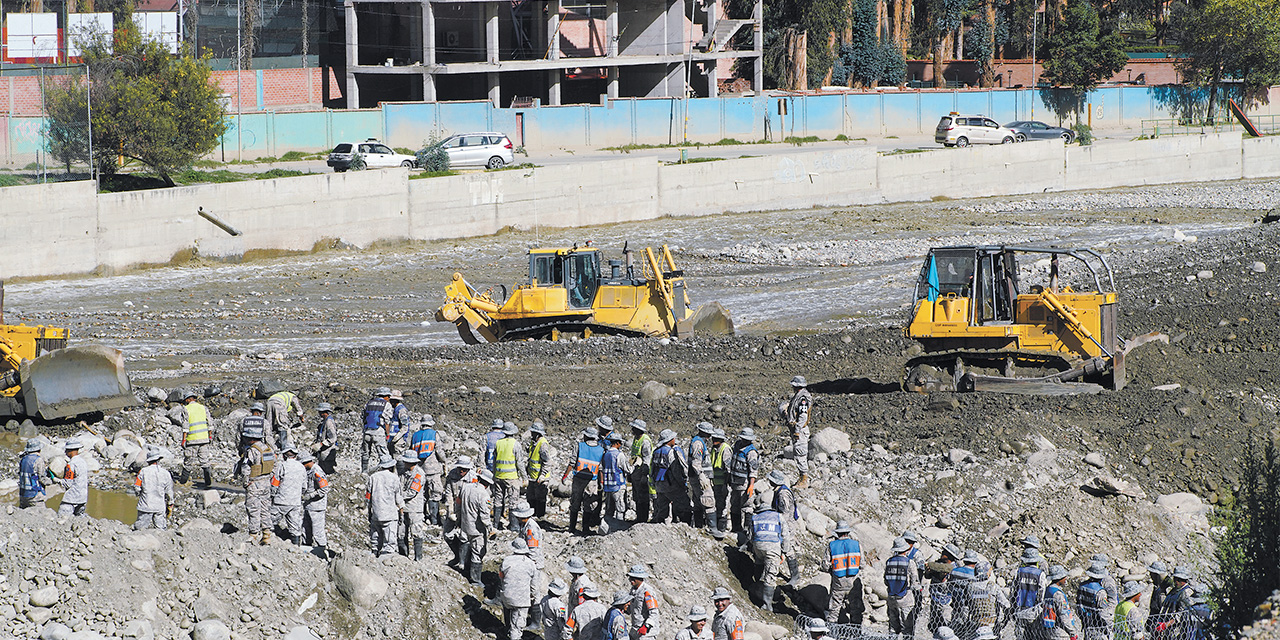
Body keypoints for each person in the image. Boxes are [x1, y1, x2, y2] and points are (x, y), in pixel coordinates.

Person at [562, 427, 604, 535]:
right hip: (592, 481)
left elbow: (572, 462)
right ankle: (585, 529)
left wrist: (565, 476)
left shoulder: (579, 446)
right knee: (588, 505)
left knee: (575, 503)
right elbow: (600, 469)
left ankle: (572, 528)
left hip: (578, 479)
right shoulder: (600, 450)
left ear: (586, 436)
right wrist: (602, 482)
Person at [241, 424, 276, 544]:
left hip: (254, 483)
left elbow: (245, 468)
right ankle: (266, 534)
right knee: (265, 509)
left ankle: (253, 534)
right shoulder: (268, 449)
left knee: (253, 509)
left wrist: (246, 482)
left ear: (251, 439)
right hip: (266, 483)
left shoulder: (252, 451)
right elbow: (274, 465)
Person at [460, 469, 496, 585]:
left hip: (465, 525)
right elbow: (485, 516)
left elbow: (458, 503)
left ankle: (466, 571)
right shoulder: (484, 495)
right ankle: (475, 580)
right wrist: (490, 528)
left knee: (467, 547)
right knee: (478, 552)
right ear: (488, 483)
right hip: (477, 529)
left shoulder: (466, 487)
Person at [500, 539, 540, 640]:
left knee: (508, 611)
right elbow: (534, 586)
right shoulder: (531, 564)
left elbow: (501, 576)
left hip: (506, 596)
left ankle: (507, 630)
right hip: (521, 600)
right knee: (517, 627)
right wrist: (533, 597)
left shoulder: (506, 560)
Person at [750, 502, 786, 612]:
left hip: (758, 546)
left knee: (759, 563)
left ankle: (757, 586)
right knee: (770, 575)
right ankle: (766, 604)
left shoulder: (755, 517)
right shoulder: (779, 517)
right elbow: (785, 535)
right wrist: (784, 552)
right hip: (772, 547)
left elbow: (750, 535)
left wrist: (754, 547)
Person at [767, 470, 801, 586]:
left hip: (787, 526)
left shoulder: (783, 494)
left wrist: (781, 527)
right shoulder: (779, 491)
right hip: (783, 524)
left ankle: (795, 576)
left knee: (788, 549)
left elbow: (785, 513)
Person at [366, 454, 404, 557]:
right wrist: (401, 512)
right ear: (391, 466)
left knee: (375, 536)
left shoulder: (373, 477)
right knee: (389, 540)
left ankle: (374, 552)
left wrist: (369, 511)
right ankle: (386, 556)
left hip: (376, 512)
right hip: (390, 514)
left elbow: (368, 497)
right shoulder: (394, 478)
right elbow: (398, 498)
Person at [826, 520, 864, 623]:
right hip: (853, 583)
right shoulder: (856, 545)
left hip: (838, 583)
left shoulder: (831, 545)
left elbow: (825, 566)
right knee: (856, 610)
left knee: (834, 610)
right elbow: (862, 564)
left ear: (837, 533)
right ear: (848, 532)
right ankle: (856, 634)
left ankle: (832, 634)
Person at [413, 415, 447, 527]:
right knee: (435, 493)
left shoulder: (415, 435)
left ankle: (422, 517)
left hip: (419, 469)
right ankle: (434, 520)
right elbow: (439, 450)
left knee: (421, 494)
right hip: (433, 469)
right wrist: (445, 460)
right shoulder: (434, 434)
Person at [651, 429, 690, 524]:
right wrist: (681, 483)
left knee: (662, 509)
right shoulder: (671, 452)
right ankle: (683, 526)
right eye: (673, 438)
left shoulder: (656, 451)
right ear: (669, 440)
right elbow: (675, 470)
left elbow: (652, 468)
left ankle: (659, 527)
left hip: (659, 485)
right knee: (683, 505)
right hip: (671, 485)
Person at [271, 446, 307, 546]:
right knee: (295, 527)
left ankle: (269, 544)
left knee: (270, 522)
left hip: (281, 500)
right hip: (295, 502)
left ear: (284, 455)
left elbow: (275, 483)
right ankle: (296, 548)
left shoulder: (282, 466)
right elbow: (304, 486)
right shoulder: (301, 467)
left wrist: (272, 495)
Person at [493, 422, 526, 531]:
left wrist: (494, 475)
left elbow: (494, 460)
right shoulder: (515, 444)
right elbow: (519, 462)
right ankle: (514, 526)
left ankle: (496, 524)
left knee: (498, 500)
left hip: (498, 476)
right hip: (511, 477)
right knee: (513, 501)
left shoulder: (498, 443)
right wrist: (524, 477)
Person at [177, 389, 213, 487]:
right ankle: (208, 483)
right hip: (204, 439)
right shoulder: (203, 408)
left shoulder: (186, 409)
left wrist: (184, 439)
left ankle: (183, 482)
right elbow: (210, 423)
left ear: (188, 399)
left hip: (192, 440)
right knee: (205, 461)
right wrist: (209, 435)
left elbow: (185, 426)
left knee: (188, 462)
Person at [781, 375, 812, 488]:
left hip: (801, 430)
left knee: (800, 454)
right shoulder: (799, 396)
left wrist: (797, 430)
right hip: (797, 429)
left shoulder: (802, 398)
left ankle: (804, 480)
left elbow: (803, 416)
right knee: (798, 453)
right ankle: (801, 478)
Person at [885, 537, 921, 636]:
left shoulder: (889, 561)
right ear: (905, 549)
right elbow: (915, 583)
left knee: (893, 626)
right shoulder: (910, 562)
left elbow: (886, 580)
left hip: (891, 598)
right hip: (906, 599)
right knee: (908, 627)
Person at [728, 429, 760, 535]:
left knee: (747, 506)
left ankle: (747, 529)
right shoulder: (737, 445)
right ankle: (736, 527)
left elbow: (753, 470)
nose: (743, 441)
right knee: (734, 505)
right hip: (734, 481)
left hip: (744, 483)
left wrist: (751, 485)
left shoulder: (751, 452)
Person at [133, 447, 174, 530]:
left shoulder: (143, 471)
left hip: (145, 505)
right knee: (161, 530)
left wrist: (140, 495)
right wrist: (170, 502)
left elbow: (137, 487)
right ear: (158, 460)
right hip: (159, 506)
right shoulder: (165, 473)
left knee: (140, 530)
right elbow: (169, 491)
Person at [1010, 548, 1047, 640]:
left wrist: (1012, 607)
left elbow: (1013, 591)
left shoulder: (1018, 571)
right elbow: (1042, 593)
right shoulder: (1040, 574)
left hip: (1019, 609)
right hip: (1034, 610)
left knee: (1020, 636)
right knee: (1033, 635)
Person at [299, 451, 330, 556]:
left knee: (318, 531)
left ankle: (322, 552)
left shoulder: (317, 471)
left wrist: (311, 495)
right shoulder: (309, 470)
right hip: (309, 506)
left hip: (317, 507)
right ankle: (306, 549)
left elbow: (324, 489)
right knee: (305, 529)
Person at [399, 450, 427, 560]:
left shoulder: (419, 474)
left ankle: (418, 558)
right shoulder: (403, 472)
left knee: (416, 532)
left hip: (415, 508)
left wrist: (398, 497)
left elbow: (412, 492)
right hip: (402, 506)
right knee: (401, 532)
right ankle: (403, 556)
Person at [600, 433, 631, 531]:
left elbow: (602, 467)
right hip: (618, 485)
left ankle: (605, 529)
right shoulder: (619, 455)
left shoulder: (605, 454)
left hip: (608, 485)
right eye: (620, 443)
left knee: (609, 510)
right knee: (620, 509)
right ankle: (618, 530)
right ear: (617, 443)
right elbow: (628, 469)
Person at [688, 422, 715, 531]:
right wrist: (701, 476)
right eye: (708, 435)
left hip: (698, 477)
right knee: (709, 500)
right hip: (699, 478)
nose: (709, 437)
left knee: (698, 501)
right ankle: (712, 528)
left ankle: (699, 526)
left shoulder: (698, 442)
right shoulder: (698, 443)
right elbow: (696, 463)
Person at [1041, 565, 1080, 640]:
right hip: (1059, 631)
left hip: (1049, 629)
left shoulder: (1048, 589)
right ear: (1059, 579)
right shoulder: (1058, 594)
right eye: (1064, 577)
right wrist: (1072, 633)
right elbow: (1063, 615)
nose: (1066, 578)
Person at [1078, 562, 1113, 640]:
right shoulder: (1100, 592)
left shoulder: (1082, 586)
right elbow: (1103, 613)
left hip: (1086, 623)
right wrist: (1111, 626)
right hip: (1098, 627)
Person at [526, 420, 554, 518]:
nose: (531, 434)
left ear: (537, 434)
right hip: (532, 476)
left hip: (541, 478)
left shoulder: (543, 445)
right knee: (531, 497)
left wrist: (542, 476)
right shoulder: (534, 442)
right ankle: (532, 516)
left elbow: (547, 462)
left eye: (533, 433)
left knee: (540, 498)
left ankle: (540, 518)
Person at [361, 387, 393, 473]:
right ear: (385, 396)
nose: (389, 398)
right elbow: (387, 422)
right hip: (378, 432)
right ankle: (386, 473)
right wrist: (388, 434)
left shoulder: (368, 403)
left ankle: (364, 472)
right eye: (388, 396)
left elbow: (363, 417)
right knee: (383, 454)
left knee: (365, 454)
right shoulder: (387, 405)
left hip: (367, 432)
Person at [628, 419, 653, 524]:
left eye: (634, 428)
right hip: (635, 471)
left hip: (642, 472)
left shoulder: (645, 441)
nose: (632, 430)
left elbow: (647, 459)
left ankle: (643, 519)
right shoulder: (636, 439)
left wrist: (644, 475)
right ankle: (639, 518)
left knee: (643, 497)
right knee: (637, 496)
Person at [266, 384, 304, 451]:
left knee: (269, 423)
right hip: (279, 403)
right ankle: (284, 447)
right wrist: (301, 417)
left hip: (269, 401)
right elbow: (298, 408)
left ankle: (268, 444)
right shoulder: (293, 397)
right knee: (282, 425)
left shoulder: (283, 394)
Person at [626, 565, 660, 639]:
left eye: (633, 578)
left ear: (640, 578)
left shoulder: (647, 592)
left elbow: (654, 613)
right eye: (630, 578)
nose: (631, 580)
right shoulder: (633, 590)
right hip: (635, 629)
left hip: (646, 633)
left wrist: (646, 626)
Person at [708, 429, 732, 539]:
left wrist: (724, 485)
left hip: (722, 483)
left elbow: (728, 470)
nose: (714, 440)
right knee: (715, 504)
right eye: (713, 438)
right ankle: (716, 527)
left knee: (722, 505)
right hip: (714, 482)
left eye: (716, 439)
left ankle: (721, 528)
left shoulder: (725, 449)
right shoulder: (714, 449)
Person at [58, 438, 90, 517]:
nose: (65, 452)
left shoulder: (71, 464)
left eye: (66, 450)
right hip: (82, 498)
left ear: (70, 451)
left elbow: (68, 483)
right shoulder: (83, 462)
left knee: (62, 518)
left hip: (71, 498)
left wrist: (56, 480)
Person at [514, 501, 545, 573]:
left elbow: (533, 549)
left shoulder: (531, 528)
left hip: (534, 563)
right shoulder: (524, 524)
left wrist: (529, 564)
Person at [18, 439, 47, 509]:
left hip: (23, 494)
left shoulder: (23, 459)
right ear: (39, 449)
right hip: (34, 495)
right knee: (42, 515)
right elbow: (42, 478)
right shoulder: (38, 460)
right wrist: (52, 481)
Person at [1145, 562, 1172, 638]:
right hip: (1155, 621)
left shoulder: (1167, 587)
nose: (1150, 575)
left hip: (1162, 624)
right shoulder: (1158, 585)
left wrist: (1164, 624)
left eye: (1152, 573)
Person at [237, 403, 267, 469]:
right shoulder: (264, 422)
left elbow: (238, 437)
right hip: (259, 449)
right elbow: (268, 438)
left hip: (247, 448)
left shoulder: (243, 421)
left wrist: (240, 450)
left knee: (246, 466)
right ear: (260, 412)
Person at [312, 403, 339, 475]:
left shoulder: (329, 422)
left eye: (320, 412)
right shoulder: (325, 421)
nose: (319, 413)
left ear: (324, 412)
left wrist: (321, 444)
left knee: (327, 470)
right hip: (324, 450)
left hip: (327, 451)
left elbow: (333, 438)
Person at [385, 390, 411, 457]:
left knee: (398, 459)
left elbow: (405, 427)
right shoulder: (394, 409)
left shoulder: (401, 410)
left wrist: (396, 437)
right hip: (392, 439)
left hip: (399, 440)